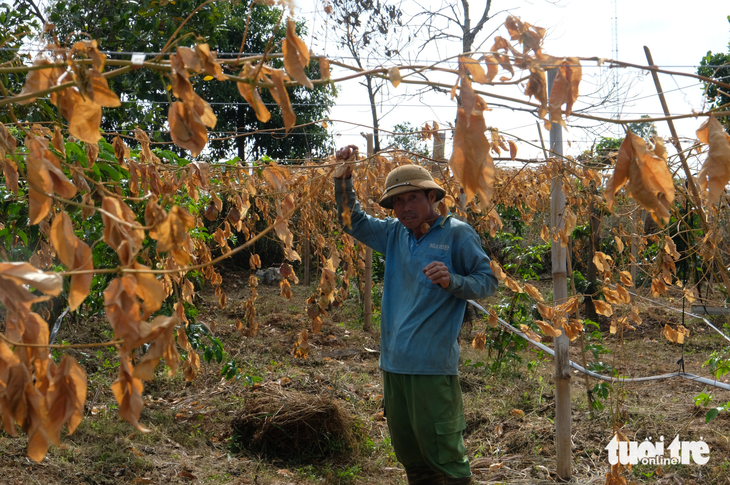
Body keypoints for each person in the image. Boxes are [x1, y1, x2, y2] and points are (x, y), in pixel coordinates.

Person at [333, 145, 498, 485]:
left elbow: (487, 281)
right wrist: (343, 178)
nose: (404, 207)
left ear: (431, 197)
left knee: (444, 450)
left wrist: (453, 280)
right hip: (393, 364)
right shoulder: (396, 234)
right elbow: (353, 221)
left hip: (431, 366)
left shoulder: (457, 234)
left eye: (412, 198)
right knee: (411, 452)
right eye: (397, 202)